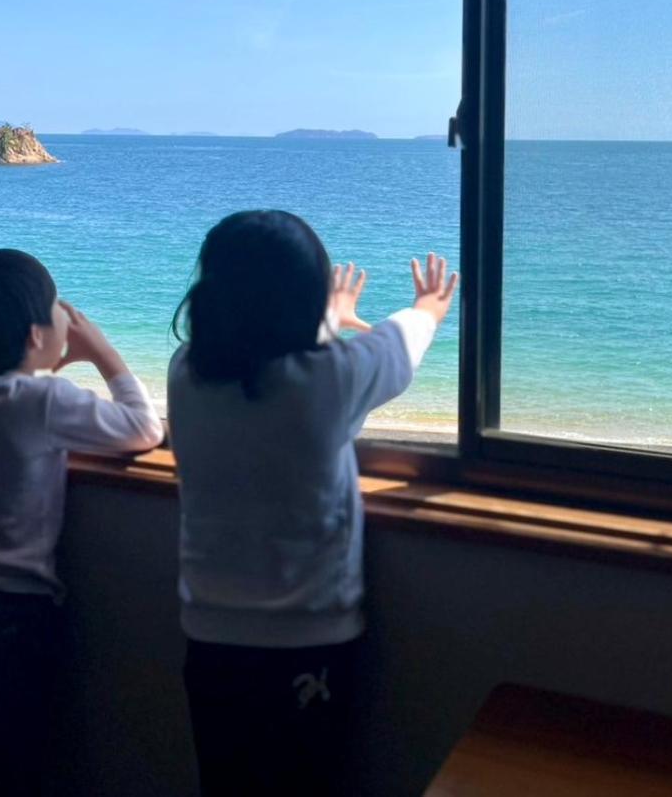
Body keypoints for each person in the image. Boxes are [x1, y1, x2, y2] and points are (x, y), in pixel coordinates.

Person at [167, 210, 457, 795]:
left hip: (210, 638)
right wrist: (428, 306)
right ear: (305, 303)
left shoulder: (184, 374)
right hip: (308, 640)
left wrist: (330, 315)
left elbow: (267, 350)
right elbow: (394, 347)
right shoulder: (332, 378)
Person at [0, 248, 163, 796]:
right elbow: (144, 429)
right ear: (33, 337)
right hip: (9, 617)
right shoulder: (42, 400)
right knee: (9, 770)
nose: (66, 317)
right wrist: (103, 354)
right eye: (56, 310)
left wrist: (42, 354)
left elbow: (1, 381)